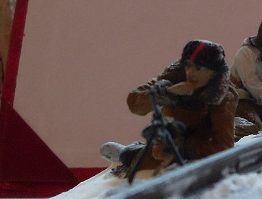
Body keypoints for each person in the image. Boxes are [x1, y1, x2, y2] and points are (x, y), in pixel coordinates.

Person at [101, 39, 237, 176]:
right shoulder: (173, 77)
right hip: (166, 137)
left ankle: (133, 153)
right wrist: (166, 92)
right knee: (132, 156)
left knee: (150, 163)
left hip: (197, 147)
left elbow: (223, 146)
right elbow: (135, 104)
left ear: (213, 72)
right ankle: (130, 152)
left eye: (199, 68)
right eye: (188, 65)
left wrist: (182, 149)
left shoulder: (222, 96)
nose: (191, 73)